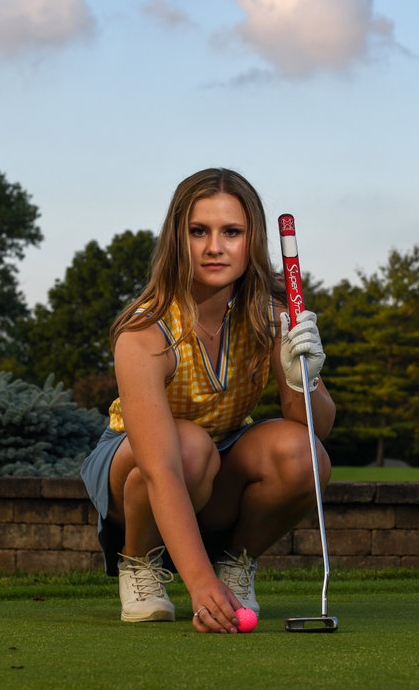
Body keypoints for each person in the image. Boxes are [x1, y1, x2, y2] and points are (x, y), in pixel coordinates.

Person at [80, 168, 335, 634]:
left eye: (231, 232)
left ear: (251, 240)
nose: (214, 246)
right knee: (189, 447)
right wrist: (197, 585)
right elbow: (161, 466)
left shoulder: (272, 316)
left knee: (304, 455)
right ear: (178, 238)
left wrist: (307, 382)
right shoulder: (145, 329)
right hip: (137, 464)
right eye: (199, 231)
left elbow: (313, 428)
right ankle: (139, 563)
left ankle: (235, 566)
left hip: (221, 456)